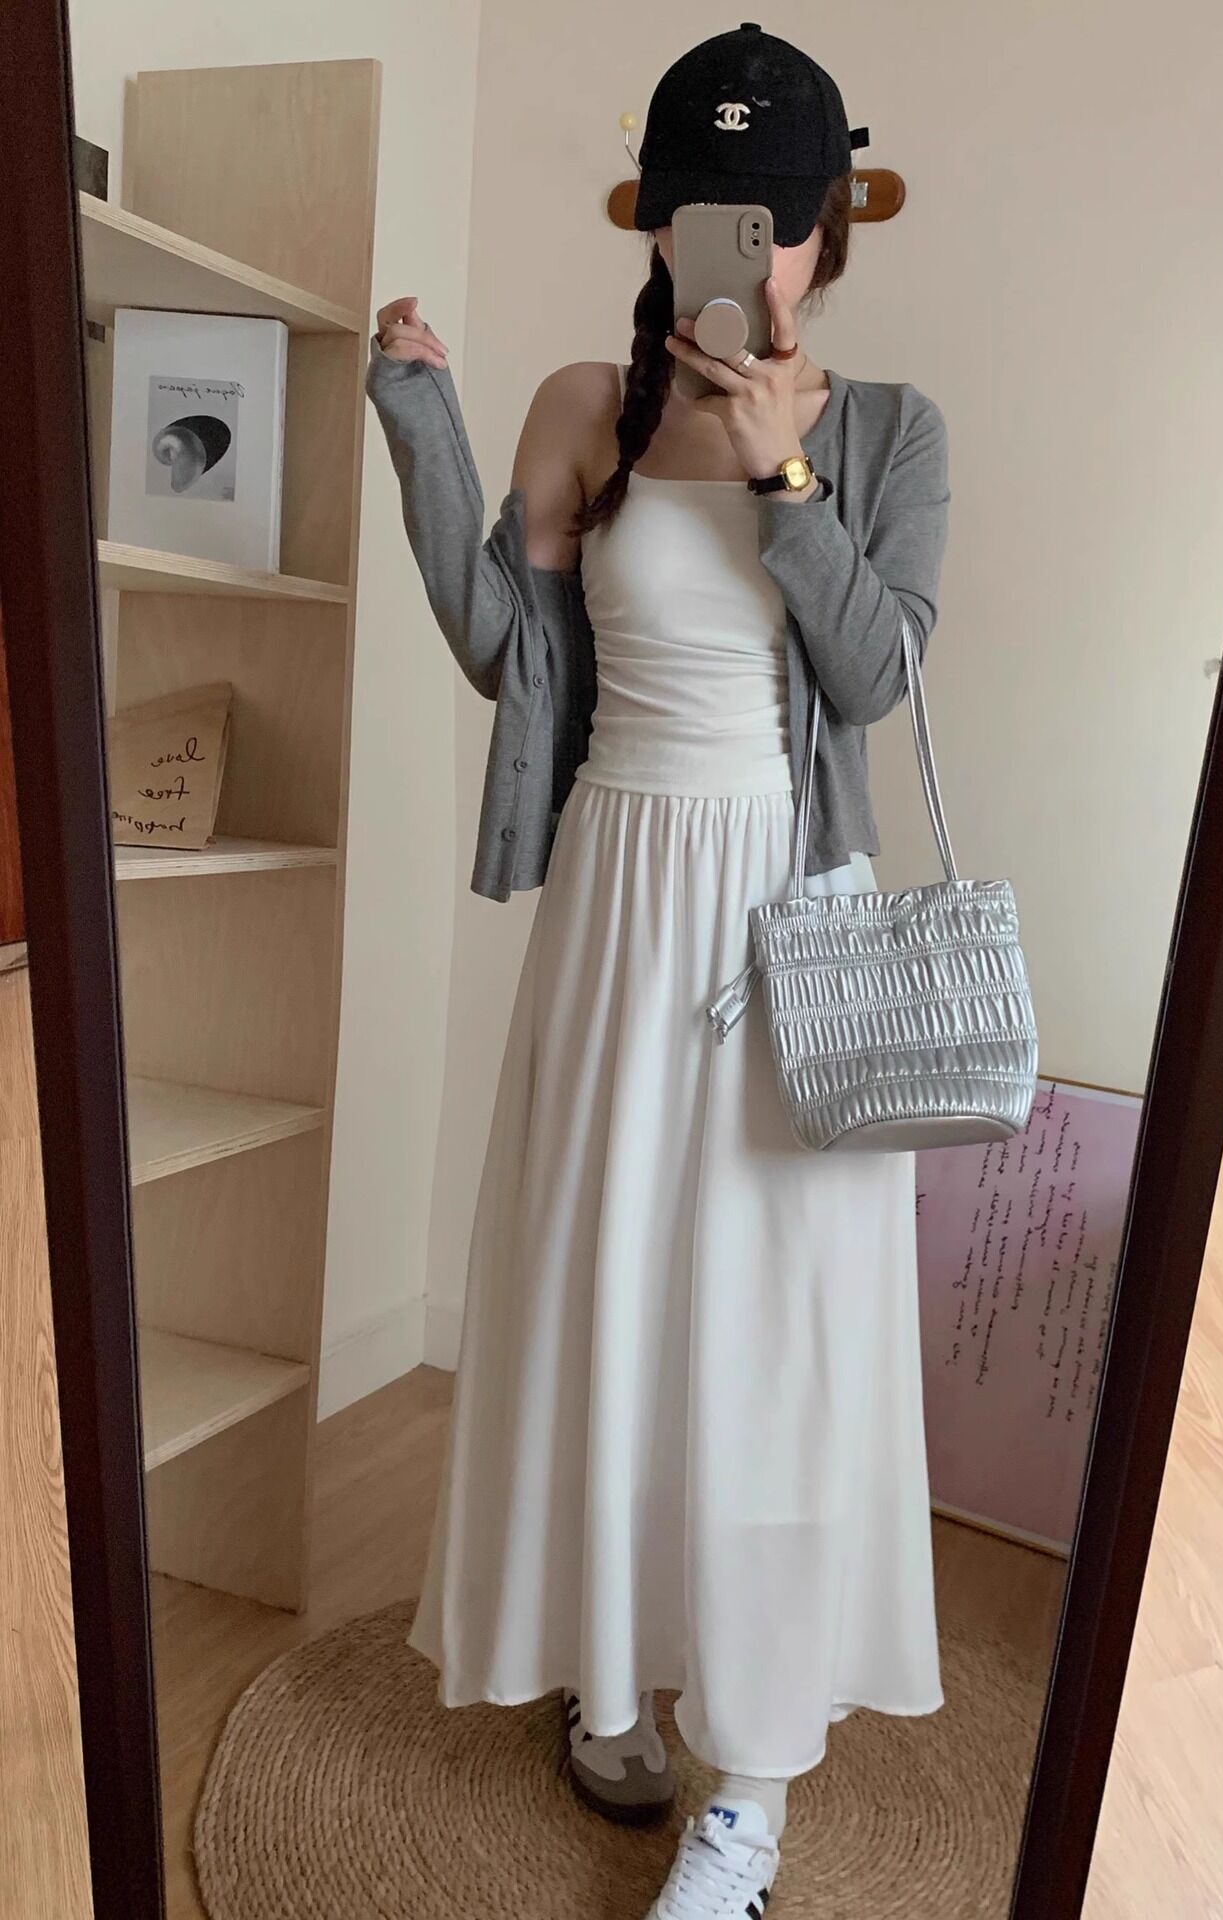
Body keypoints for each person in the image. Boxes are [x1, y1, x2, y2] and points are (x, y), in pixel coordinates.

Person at [366, 22, 951, 1918]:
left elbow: (879, 675)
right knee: (605, 1289)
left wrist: (785, 480)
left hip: (792, 919)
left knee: (776, 1332)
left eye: (779, 223)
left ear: (830, 231)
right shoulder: (581, 406)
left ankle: (749, 1790)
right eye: (715, 217)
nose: (748, 260)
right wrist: (420, 416)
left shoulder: (888, 431)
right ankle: (613, 1674)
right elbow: (503, 648)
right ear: (660, 223)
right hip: (617, 904)